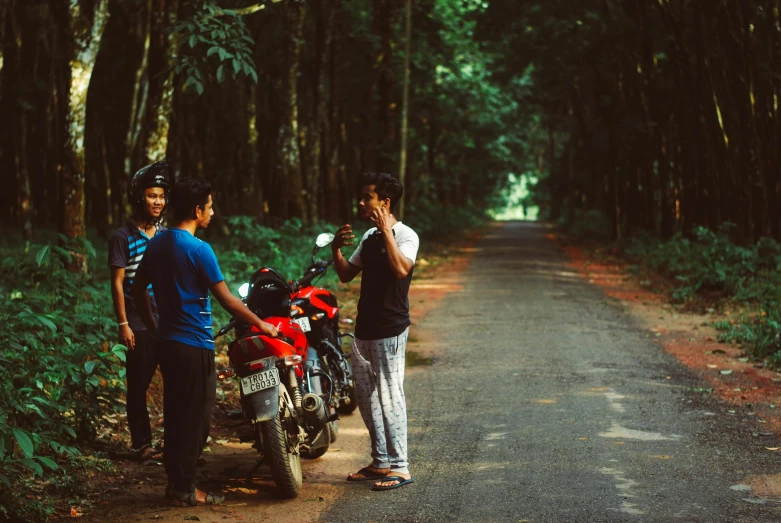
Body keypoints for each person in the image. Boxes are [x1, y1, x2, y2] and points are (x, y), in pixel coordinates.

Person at [132, 179, 278, 506]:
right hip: (194, 345)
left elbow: (138, 288)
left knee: (176, 414)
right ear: (197, 210)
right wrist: (261, 324)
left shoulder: (156, 244)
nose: (213, 212)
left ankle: (176, 483)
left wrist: (156, 326)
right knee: (196, 418)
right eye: (210, 206)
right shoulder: (199, 249)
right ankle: (184, 489)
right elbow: (227, 299)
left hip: (168, 343)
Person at [331, 172, 419, 491]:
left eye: (367, 197)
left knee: (391, 394)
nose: (361, 202)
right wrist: (336, 249)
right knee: (366, 397)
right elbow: (345, 275)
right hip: (363, 329)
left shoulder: (406, 235)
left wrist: (386, 233)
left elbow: (400, 269)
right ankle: (381, 462)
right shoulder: (368, 238)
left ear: (384, 202)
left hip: (390, 329)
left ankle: (401, 467)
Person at [108, 161, 169, 461]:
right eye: (151, 196)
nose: (157, 202)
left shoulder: (166, 233)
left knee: (177, 381)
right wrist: (123, 324)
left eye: (161, 196)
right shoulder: (122, 237)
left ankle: (177, 444)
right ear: (139, 198)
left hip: (166, 320)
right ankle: (142, 444)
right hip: (137, 322)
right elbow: (117, 284)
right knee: (139, 385)